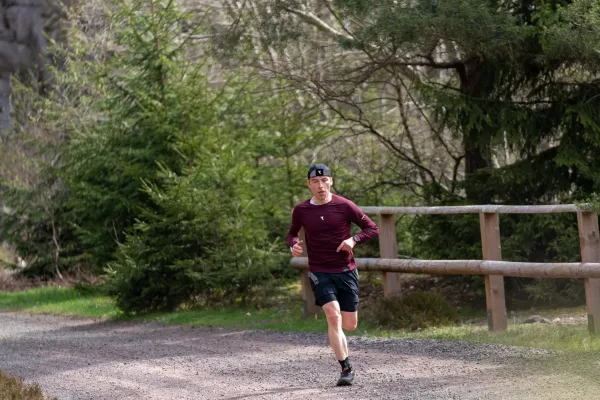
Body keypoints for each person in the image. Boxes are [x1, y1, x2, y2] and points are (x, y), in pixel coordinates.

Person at [286, 163, 379, 386]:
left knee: (349, 324)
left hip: (346, 270)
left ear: (331, 181)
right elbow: (292, 234)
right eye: (315, 182)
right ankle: (346, 368)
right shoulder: (301, 210)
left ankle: (344, 355)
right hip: (319, 270)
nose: (320, 186)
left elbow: (372, 229)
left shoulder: (345, 206)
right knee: (333, 314)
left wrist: (353, 240)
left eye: (324, 180)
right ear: (309, 184)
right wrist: (293, 246)